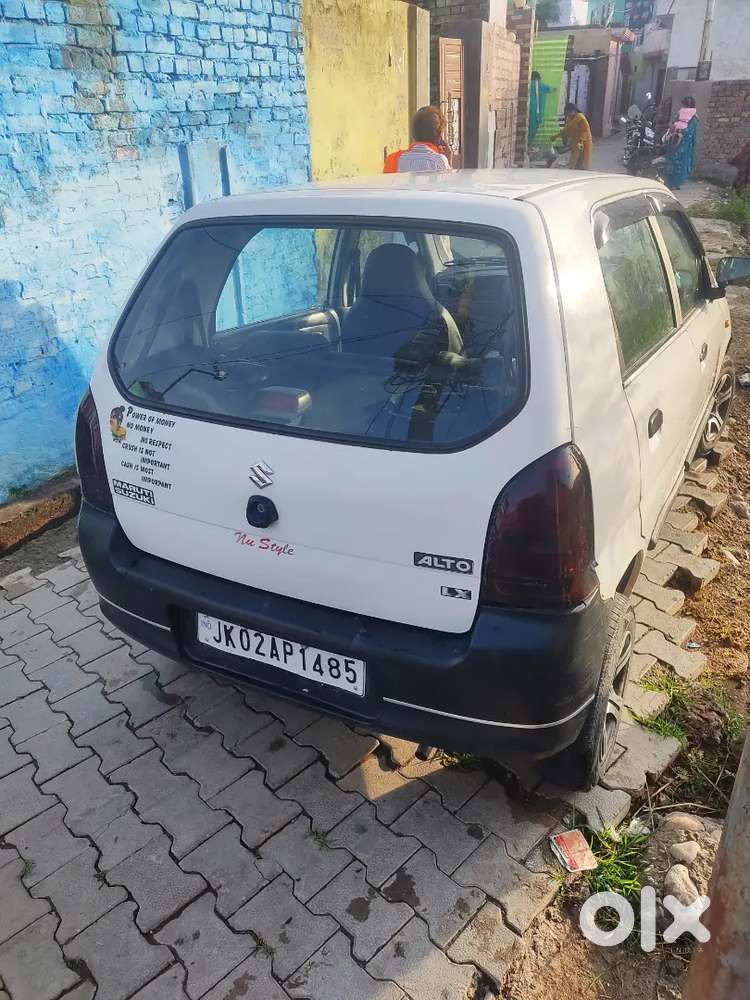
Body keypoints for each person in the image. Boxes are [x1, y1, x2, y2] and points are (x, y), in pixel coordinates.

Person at [383, 106, 452, 174]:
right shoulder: (440, 161)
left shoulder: (392, 159)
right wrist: (448, 162)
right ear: (439, 137)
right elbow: (447, 183)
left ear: (412, 133)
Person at [663, 96, 699, 190]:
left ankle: (669, 183)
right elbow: (691, 132)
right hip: (685, 145)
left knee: (671, 162)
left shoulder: (679, 114)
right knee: (681, 164)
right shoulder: (694, 117)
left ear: (683, 104)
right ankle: (676, 183)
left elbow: (672, 123)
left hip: (674, 141)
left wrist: (674, 130)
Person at [552, 103, 593, 170]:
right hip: (575, 139)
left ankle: (580, 171)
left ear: (574, 110)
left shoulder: (579, 117)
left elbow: (582, 131)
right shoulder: (569, 118)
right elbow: (566, 130)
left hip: (584, 140)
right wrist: (560, 139)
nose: (568, 115)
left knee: (582, 158)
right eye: (566, 114)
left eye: (569, 113)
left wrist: (581, 141)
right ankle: (573, 169)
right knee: (574, 158)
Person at [529, 70, 554, 143]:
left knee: (528, 127)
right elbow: (551, 89)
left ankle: (527, 144)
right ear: (537, 78)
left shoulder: (528, 84)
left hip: (528, 110)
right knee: (533, 129)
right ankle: (528, 143)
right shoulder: (541, 85)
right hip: (536, 112)